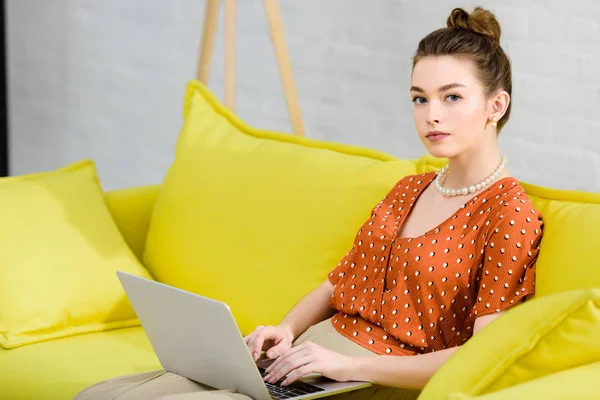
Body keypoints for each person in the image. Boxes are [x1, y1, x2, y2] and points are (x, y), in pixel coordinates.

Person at [75, 6, 544, 400]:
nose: (431, 115)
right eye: (419, 99)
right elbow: (336, 284)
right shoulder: (408, 189)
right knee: (109, 394)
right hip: (310, 355)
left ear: (495, 106)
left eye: (452, 97)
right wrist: (284, 330)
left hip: (365, 379)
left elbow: (481, 356)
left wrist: (344, 365)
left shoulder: (509, 214)